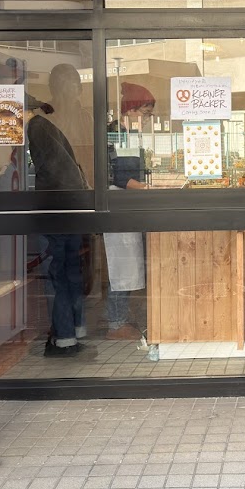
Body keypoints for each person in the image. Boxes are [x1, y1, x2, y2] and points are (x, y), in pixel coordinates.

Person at [26, 87, 89, 357]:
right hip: (71, 208)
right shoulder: (45, 126)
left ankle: (64, 338)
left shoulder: (36, 129)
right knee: (71, 271)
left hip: (56, 210)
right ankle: (76, 329)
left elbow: (44, 172)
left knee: (57, 274)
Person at [104, 82, 153, 339]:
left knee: (129, 264)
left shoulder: (130, 133)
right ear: (131, 110)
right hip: (118, 206)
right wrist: (148, 188)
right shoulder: (116, 133)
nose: (147, 119)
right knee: (121, 265)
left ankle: (121, 318)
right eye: (145, 113)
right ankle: (116, 323)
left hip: (129, 206)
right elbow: (117, 175)